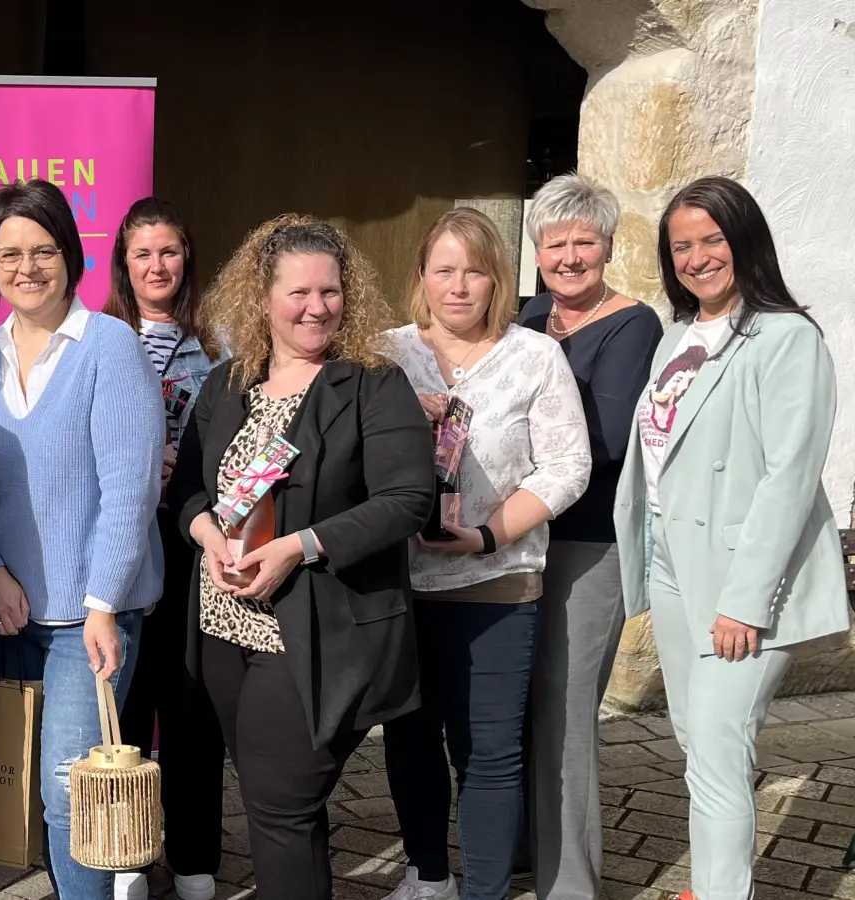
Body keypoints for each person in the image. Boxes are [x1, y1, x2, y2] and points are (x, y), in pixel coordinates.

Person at [165, 215, 433, 900]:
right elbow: (188, 489)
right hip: (225, 628)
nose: (317, 307)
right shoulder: (227, 384)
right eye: (299, 293)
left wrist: (298, 547)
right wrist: (207, 536)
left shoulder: (373, 384)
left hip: (318, 631)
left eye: (331, 291)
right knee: (276, 803)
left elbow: (407, 499)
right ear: (262, 298)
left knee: (282, 801)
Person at [613, 176, 850, 900]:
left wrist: (745, 601)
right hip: (675, 562)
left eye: (712, 239)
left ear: (745, 239)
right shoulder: (678, 337)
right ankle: (712, 883)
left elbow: (788, 478)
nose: (697, 258)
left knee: (716, 745)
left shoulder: (786, 337)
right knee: (699, 741)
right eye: (681, 246)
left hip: (743, 577)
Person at [0, 179, 164, 900]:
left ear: (70, 254)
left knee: (71, 792)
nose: (27, 267)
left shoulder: (110, 346)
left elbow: (130, 489)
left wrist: (103, 604)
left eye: (43, 250)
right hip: (8, 612)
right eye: (9, 254)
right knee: (23, 788)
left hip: (88, 618)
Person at [380, 208, 591, 900]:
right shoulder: (386, 354)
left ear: (498, 279)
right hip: (400, 586)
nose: (459, 286)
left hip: (496, 583)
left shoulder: (535, 356)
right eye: (444, 270)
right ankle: (428, 878)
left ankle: (486, 892)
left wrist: (489, 534)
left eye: (475, 271)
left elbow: (567, 465)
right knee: (411, 740)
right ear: (421, 275)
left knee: (489, 754)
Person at [514, 174, 663, 900]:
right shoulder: (526, 314)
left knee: (566, 711)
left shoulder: (634, 326)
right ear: (537, 251)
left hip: (587, 542)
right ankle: (522, 849)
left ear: (607, 246)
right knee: (518, 699)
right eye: (554, 244)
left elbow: (601, 440)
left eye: (584, 242)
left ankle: (570, 883)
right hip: (519, 537)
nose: (569, 257)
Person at [103, 197, 228, 900]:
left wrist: (191, 475)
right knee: (123, 705)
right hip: (120, 546)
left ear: (187, 258)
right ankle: (126, 853)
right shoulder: (98, 338)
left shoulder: (220, 343)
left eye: (169, 251)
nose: (157, 265)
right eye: (142, 253)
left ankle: (194, 856)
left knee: (191, 705)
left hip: (193, 546)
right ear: (123, 263)